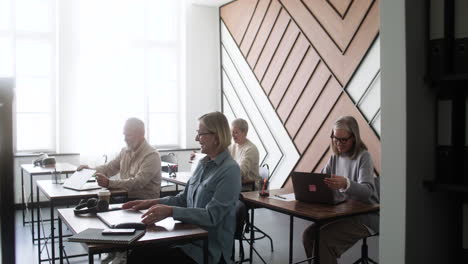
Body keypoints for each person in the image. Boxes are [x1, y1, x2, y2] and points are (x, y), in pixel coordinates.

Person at [123, 111, 241, 264]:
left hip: (207, 249)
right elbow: (183, 199)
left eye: (200, 134)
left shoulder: (230, 170)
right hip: (186, 238)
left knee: (146, 257)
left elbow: (212, 216)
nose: (196, 139)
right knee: (138, 251)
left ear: (216, 136)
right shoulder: (203, 163)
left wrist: (170, 211)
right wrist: (151, 202)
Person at [302, 116, 379, 264]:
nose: (338, 143)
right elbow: (321, 180)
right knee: (309, 235)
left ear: (354, 138)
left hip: (365, 217)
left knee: (323, 239)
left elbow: (368, 191)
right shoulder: (335, 157)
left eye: (343, 140)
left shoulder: (364, 157)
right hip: (344, 212)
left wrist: (346, 184)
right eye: (335, 138)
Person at [78, 118, 162, 200]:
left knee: (98, 204)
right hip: (125, 196)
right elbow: (109, 168)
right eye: (124, 135)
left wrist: (109, 183)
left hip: (143, 201)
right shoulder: (125, 151)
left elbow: (138, 182)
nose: (125, 139)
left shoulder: (151, 155)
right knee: (90, 202)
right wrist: (90, 171)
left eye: (129, 135)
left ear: (141, 134)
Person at [228, 118, 261, 191]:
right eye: (231, 132)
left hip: (249, 188)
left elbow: (240, 172)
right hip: (236, 184)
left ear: (245, 133)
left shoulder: (250, 149)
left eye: (236, 132)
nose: (232, 135)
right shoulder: (232, 147)